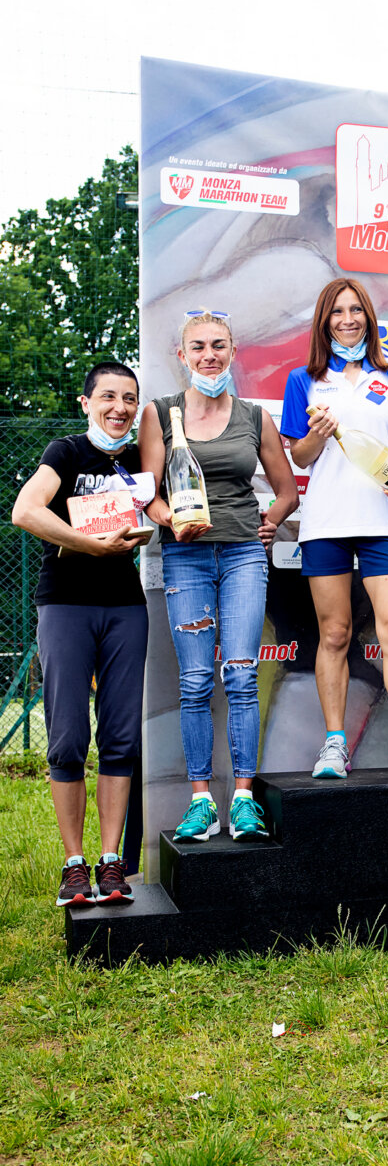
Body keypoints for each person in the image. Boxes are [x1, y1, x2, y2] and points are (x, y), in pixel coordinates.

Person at [139, 311, 298, 843]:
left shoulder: (255, 418)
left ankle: (245, 800)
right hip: (185, 558)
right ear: (181, 356)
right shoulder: (160, 414)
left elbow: (286, 491)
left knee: (240, 676)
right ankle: (202, 802)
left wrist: (271, 523)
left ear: (233, 353)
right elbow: (150, 494)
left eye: (219, 346)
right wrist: (170, 520)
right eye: (198, 347)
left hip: (242, 557)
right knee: (194, 682)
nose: (210, 356)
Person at [281, 278, 388, 782]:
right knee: (335, 634)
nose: (348, 320)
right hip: (325, 522)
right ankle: (334, 746)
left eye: (356, 311)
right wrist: (316, 434)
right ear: (324, 322)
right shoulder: (304, 380)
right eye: (337, 312)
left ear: (369, 319)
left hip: (382, 524)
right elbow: (299, 456)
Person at [12, 362, 151, 906]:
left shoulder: (140, 460)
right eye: (109, 397)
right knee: (68, 739)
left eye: (130, 400)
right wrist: (93, 545)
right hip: (66, 604)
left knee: (121, 738)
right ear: (86, 402)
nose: (120, 408)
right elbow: (26, 510)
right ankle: (74, 864)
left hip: (124, 607)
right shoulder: (66, 452)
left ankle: (111, 861)